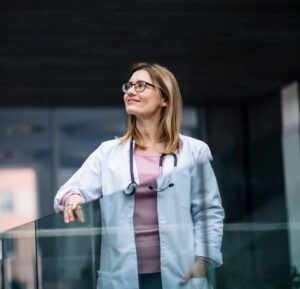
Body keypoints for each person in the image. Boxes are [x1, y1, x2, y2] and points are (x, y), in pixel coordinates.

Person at [54, 62, 224, 289]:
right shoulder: (108, 152)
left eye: (141, 86)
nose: (131, 91)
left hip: (181, 274)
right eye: (129, 86)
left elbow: (208, 212)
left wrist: (203, 261)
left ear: (165, 99)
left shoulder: (194, 151)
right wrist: (72, 197)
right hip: (123, 277)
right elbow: (68, 190)